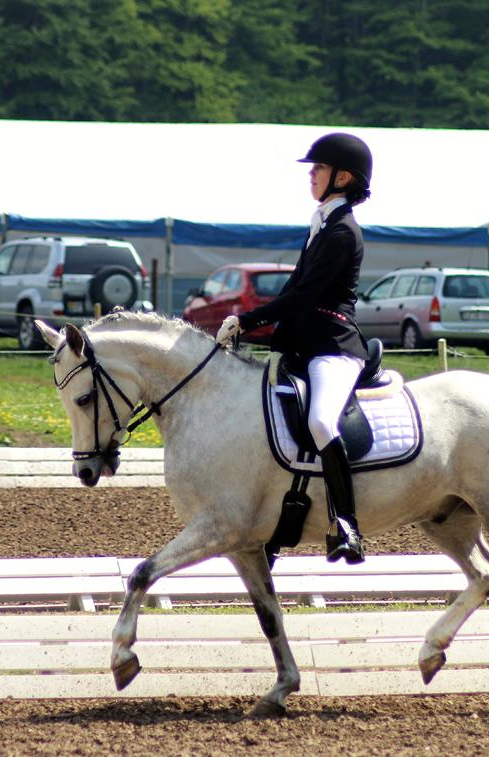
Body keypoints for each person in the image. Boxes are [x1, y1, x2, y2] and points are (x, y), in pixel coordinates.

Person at [215, 133, 373, 564]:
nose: (311, 174)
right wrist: (252, 325)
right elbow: (293, 287)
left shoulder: (343, 232)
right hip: (304, 345)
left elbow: (305, 297)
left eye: (318, 169)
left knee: (322, 421)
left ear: (342, 177)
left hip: (333, 346)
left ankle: (347, 525)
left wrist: (249, 319)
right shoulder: (321, 223)